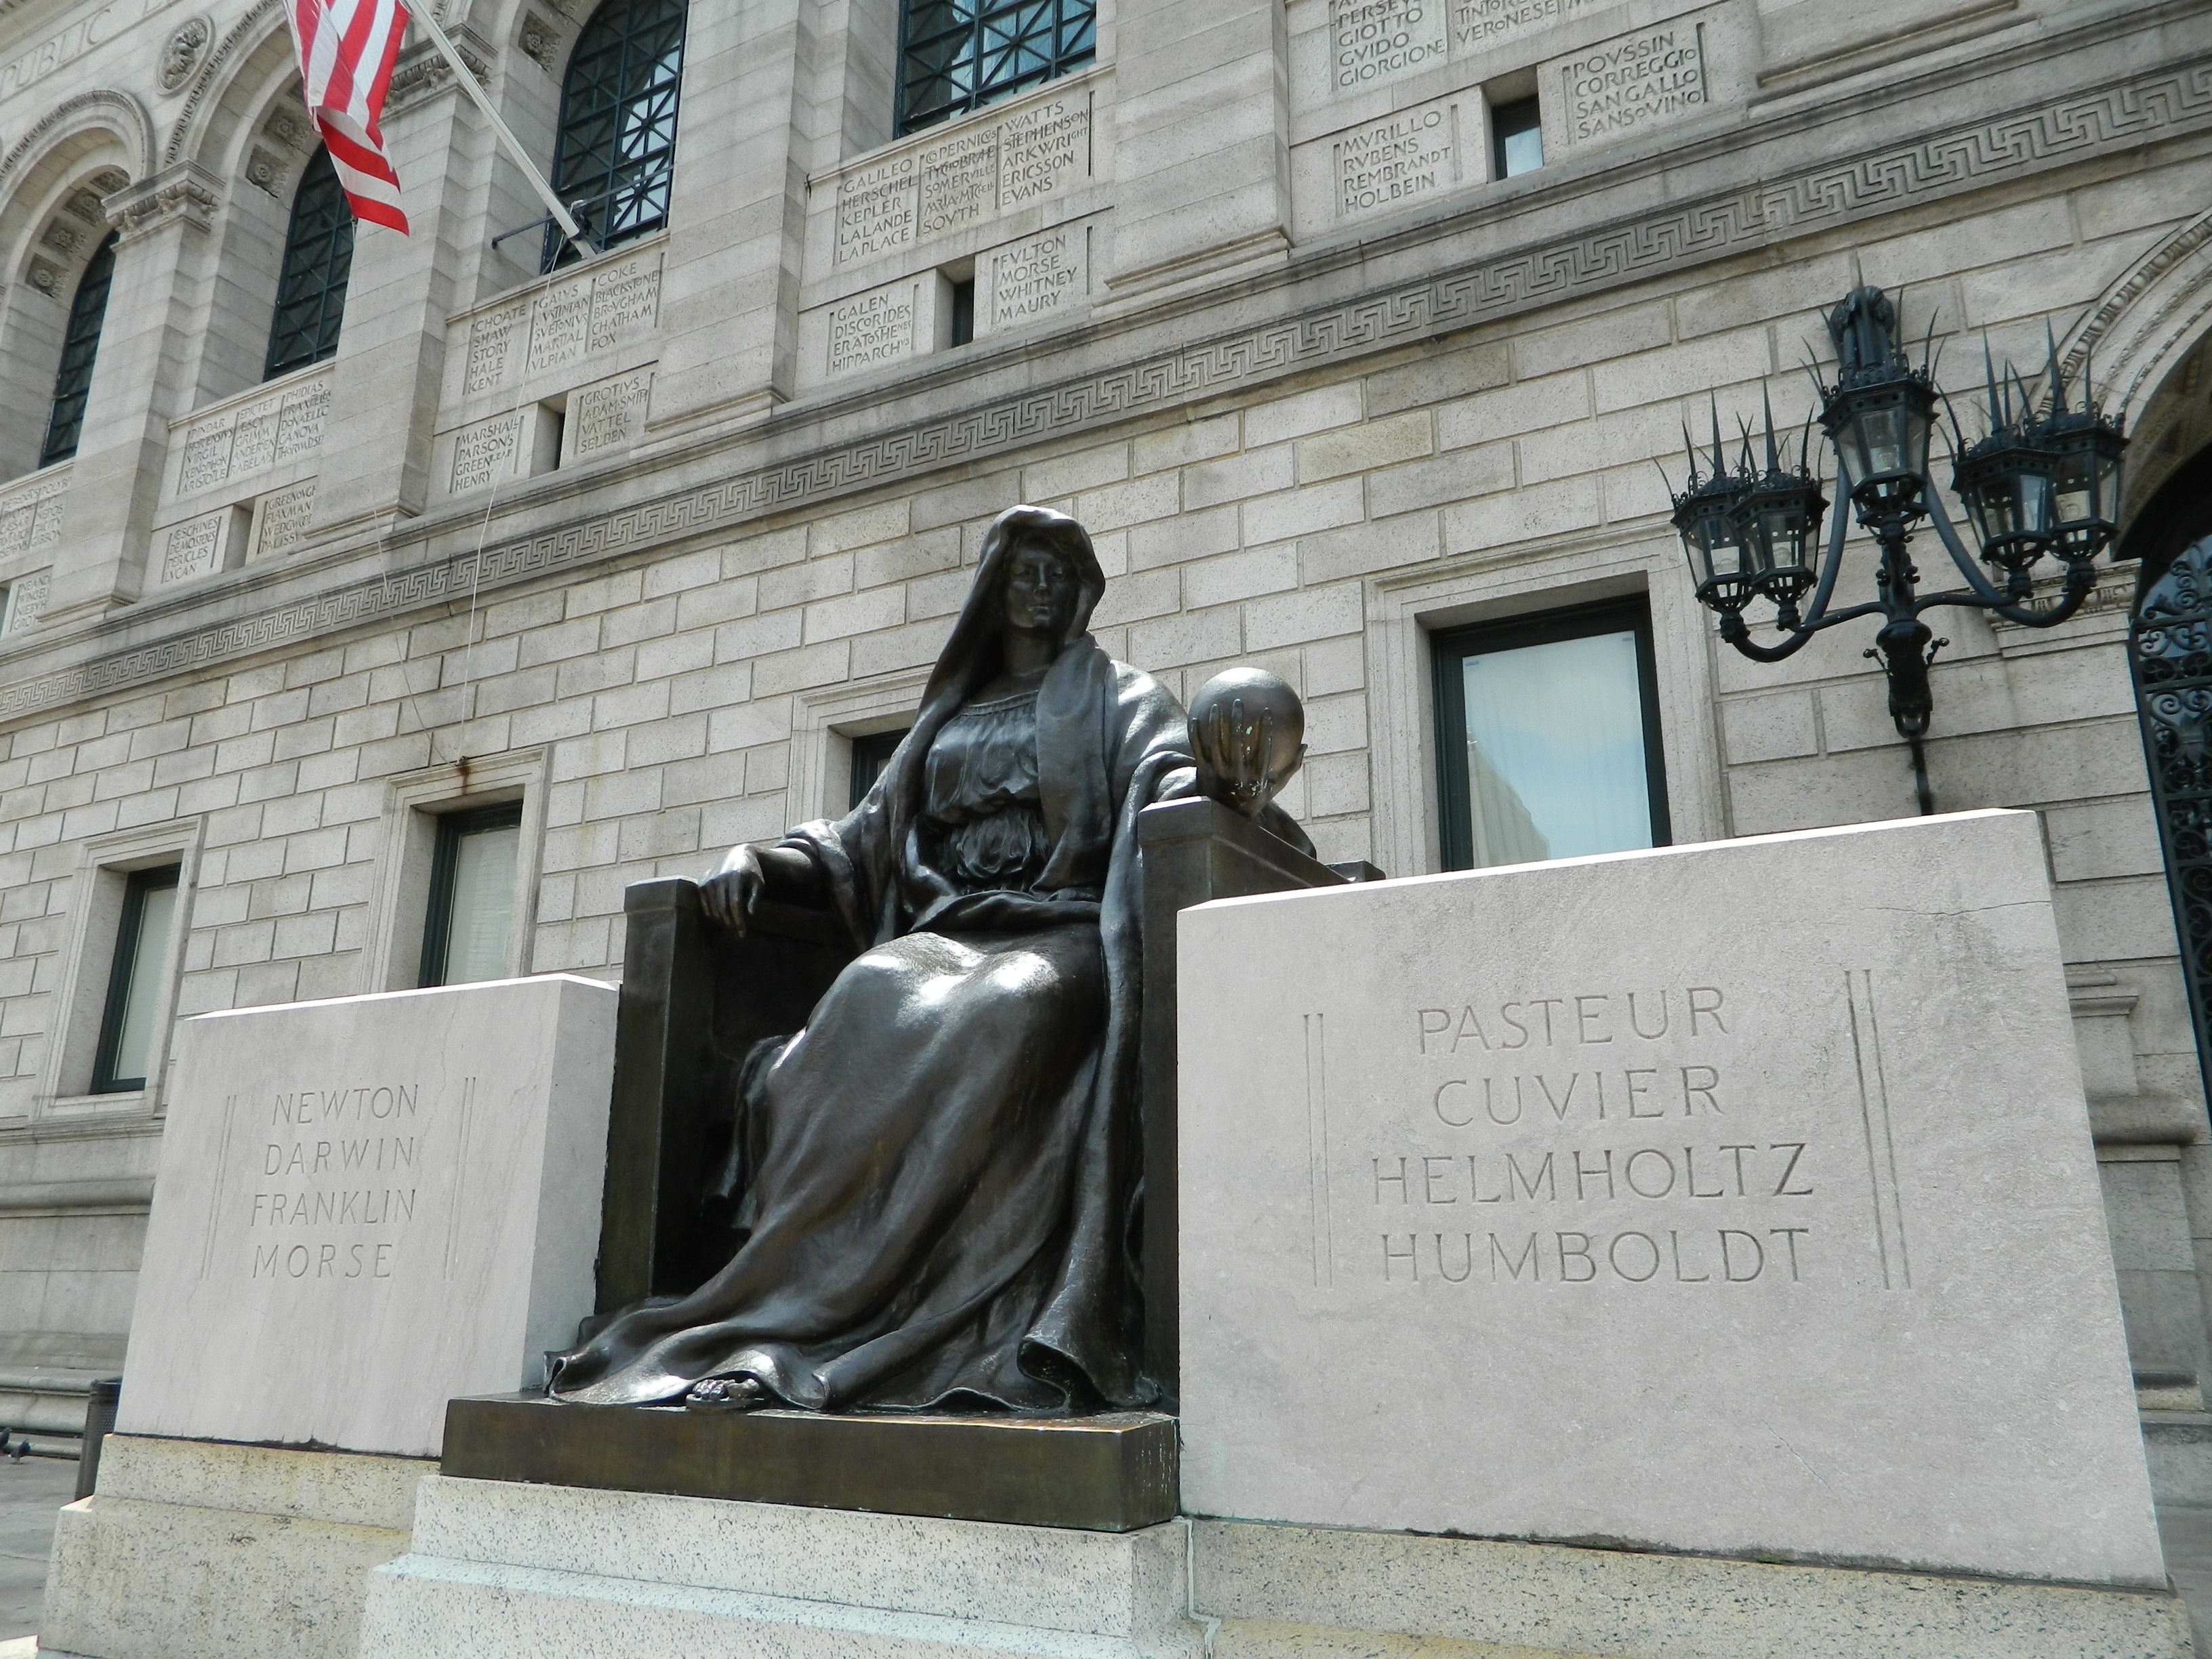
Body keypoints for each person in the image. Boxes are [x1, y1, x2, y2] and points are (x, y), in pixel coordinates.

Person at [546, 504, 1306, 1414]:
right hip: (949, 931)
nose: (1040, 588)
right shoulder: (945, 719)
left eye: (1059, 574)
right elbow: (861, 836)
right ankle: (795, 1301)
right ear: (993, 586)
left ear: (1082, 595)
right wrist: (762, 859)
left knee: (1009, 1008)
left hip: (1064, 933)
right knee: (865, 994)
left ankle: (895, 1311)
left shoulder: (1121, 697)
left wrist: (1226, 770)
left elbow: (1176, 781)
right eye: (1024, 570)